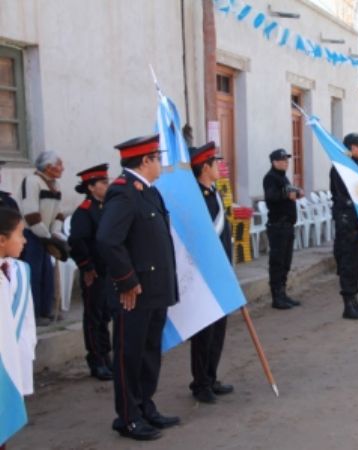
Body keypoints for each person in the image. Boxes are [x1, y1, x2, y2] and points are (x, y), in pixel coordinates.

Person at [96, 133, 180, 441]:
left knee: (148, 352)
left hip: (154, 289)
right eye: (158, 158)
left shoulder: (149, 192)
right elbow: (107, 240)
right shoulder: (124, 192)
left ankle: (146, 406)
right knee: (128, 356)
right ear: (145, 161)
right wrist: (127, 280)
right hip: (134, 292)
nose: (161, 163)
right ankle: (129, 418)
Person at [187, 142, 235, 404]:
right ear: (205, 167)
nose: (220, 167)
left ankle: (211, 376)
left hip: (220, 273)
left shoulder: (213, 192)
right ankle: (200, 382)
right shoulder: (196, 198)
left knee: (218, 330)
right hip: (204, 276)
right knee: (204, 332)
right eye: (216, 163)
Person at [68, 163, 113, 381]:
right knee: (94, 316)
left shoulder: (107, 207)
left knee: (105, 314)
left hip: (109, 270)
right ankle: (96, 360)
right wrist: (86, 266)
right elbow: (76, 241)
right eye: (104, 182)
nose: (108, 185)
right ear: (91, 187)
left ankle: (106, 355)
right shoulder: (84, 212)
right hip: (94, 272)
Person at [0, 207, 36, 450]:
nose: (24, 240)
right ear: (2, 240)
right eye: (20, 234)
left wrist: (27, 353)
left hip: (13, 359)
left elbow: (27, 319)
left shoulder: (21, 271)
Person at [18, 152, 66, 326]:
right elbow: (30, 213)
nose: (62, 168)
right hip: (32, 235)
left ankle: (47, 309)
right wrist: (46, 235)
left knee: (47, 273)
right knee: (34, 274)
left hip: (45, 236)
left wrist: (55, 232)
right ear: (48, 167)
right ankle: (34, 312)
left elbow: (59, 212)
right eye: (59, 164)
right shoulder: (31, 182)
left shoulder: (56, 185)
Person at [331, 133, 358, 319]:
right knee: (349, 263)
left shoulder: (357, 166)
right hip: (347, 220)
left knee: (357, 262)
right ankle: (348, 305)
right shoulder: (341, 167)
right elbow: (345, 195)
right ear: (352, 147)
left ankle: (355, 302)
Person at [263, 148, 303, 310]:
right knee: (277, 262)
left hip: (287, 225)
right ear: (274, 162)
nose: (286, 162)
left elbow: (288, 193)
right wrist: (287, 195)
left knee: (286, 262)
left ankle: (283, 293)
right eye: (283, 160)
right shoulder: (270, 177)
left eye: (287, 160)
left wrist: (297, 193)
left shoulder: (282, 177)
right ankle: (276, 297)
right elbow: (271, 196)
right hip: (278, 226)